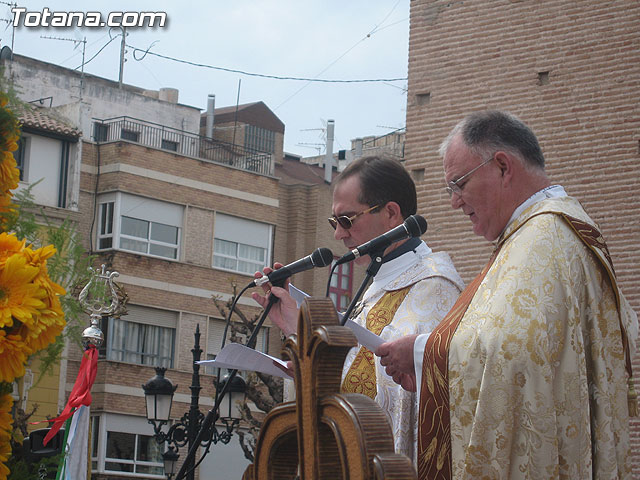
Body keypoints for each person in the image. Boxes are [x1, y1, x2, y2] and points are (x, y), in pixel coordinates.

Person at [377, 110, 639, 479]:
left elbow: (513, 353)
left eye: (459, 184)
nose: (454, 201)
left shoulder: (543, 237)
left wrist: (421, 353)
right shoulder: (541, 232)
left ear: (502, 166)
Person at [252, 155, 464, 462]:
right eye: (334, 222)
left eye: (347, 220)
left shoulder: (435, 285)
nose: (338, 234)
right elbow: (348, 378)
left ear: (391, 213)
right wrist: (297, 331)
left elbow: (414, 397)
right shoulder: (372, 288)